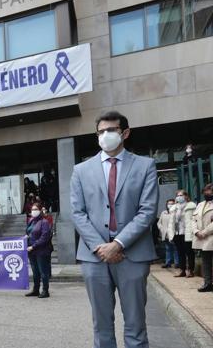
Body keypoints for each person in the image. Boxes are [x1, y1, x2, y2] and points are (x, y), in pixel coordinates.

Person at [70, 111, 158, 348]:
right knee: (101, 325)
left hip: (133, 254)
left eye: (111, 130)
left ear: (125, 133)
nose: (105, 135)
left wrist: (118, 244)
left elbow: (147, 211)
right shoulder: (81, 170)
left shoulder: (145, 165)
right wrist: (101, 247)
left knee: (136, 325)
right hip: (94, 256)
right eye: (101, 131)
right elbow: (78, 213)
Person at [25, 203, 52, 298]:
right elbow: (29, 232)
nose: (33, 211)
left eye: (36, 209)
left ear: (40, 210)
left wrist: (33, 246)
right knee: (35, 272)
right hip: (31, 251)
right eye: (32, 209)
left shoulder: (44, 222)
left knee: (43, 271)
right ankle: (36, 290)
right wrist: (26, 238)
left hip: (41, 251)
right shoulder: (31, 221)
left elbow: (44, 237)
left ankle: (45, 290)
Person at [169, 190, 196, 277]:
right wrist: (170, 233)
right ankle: (182, 270)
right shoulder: (174, 208)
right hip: (177, 233)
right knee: (180, 252)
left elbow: (194, 219)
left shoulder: (191, 206)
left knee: (189, 252)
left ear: (186, 196)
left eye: (181, 195)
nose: (179, 197)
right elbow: (171, 222)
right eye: (177, 195)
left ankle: (191, 270)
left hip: (187, 232)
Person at [192, 183, 213, 292]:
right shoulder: (200, 204)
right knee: (206, 262)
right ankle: (207, 283)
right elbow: (193, 220)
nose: (206, 193)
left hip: (209, 236)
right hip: (202, 238)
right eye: (205, 191)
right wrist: (196, 231)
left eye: (208, 191)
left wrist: (204, 232)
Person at [157, 199, 178, 269]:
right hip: (165, 234)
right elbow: (159, 222)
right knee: (168, 249)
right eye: (169, 204)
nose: (170, 205)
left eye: (172, 204)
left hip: (173, 234)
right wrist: (161, 228)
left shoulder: (176, 212)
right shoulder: (164, 213)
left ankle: (177, 263)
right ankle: (168, 263)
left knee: (175, 248)